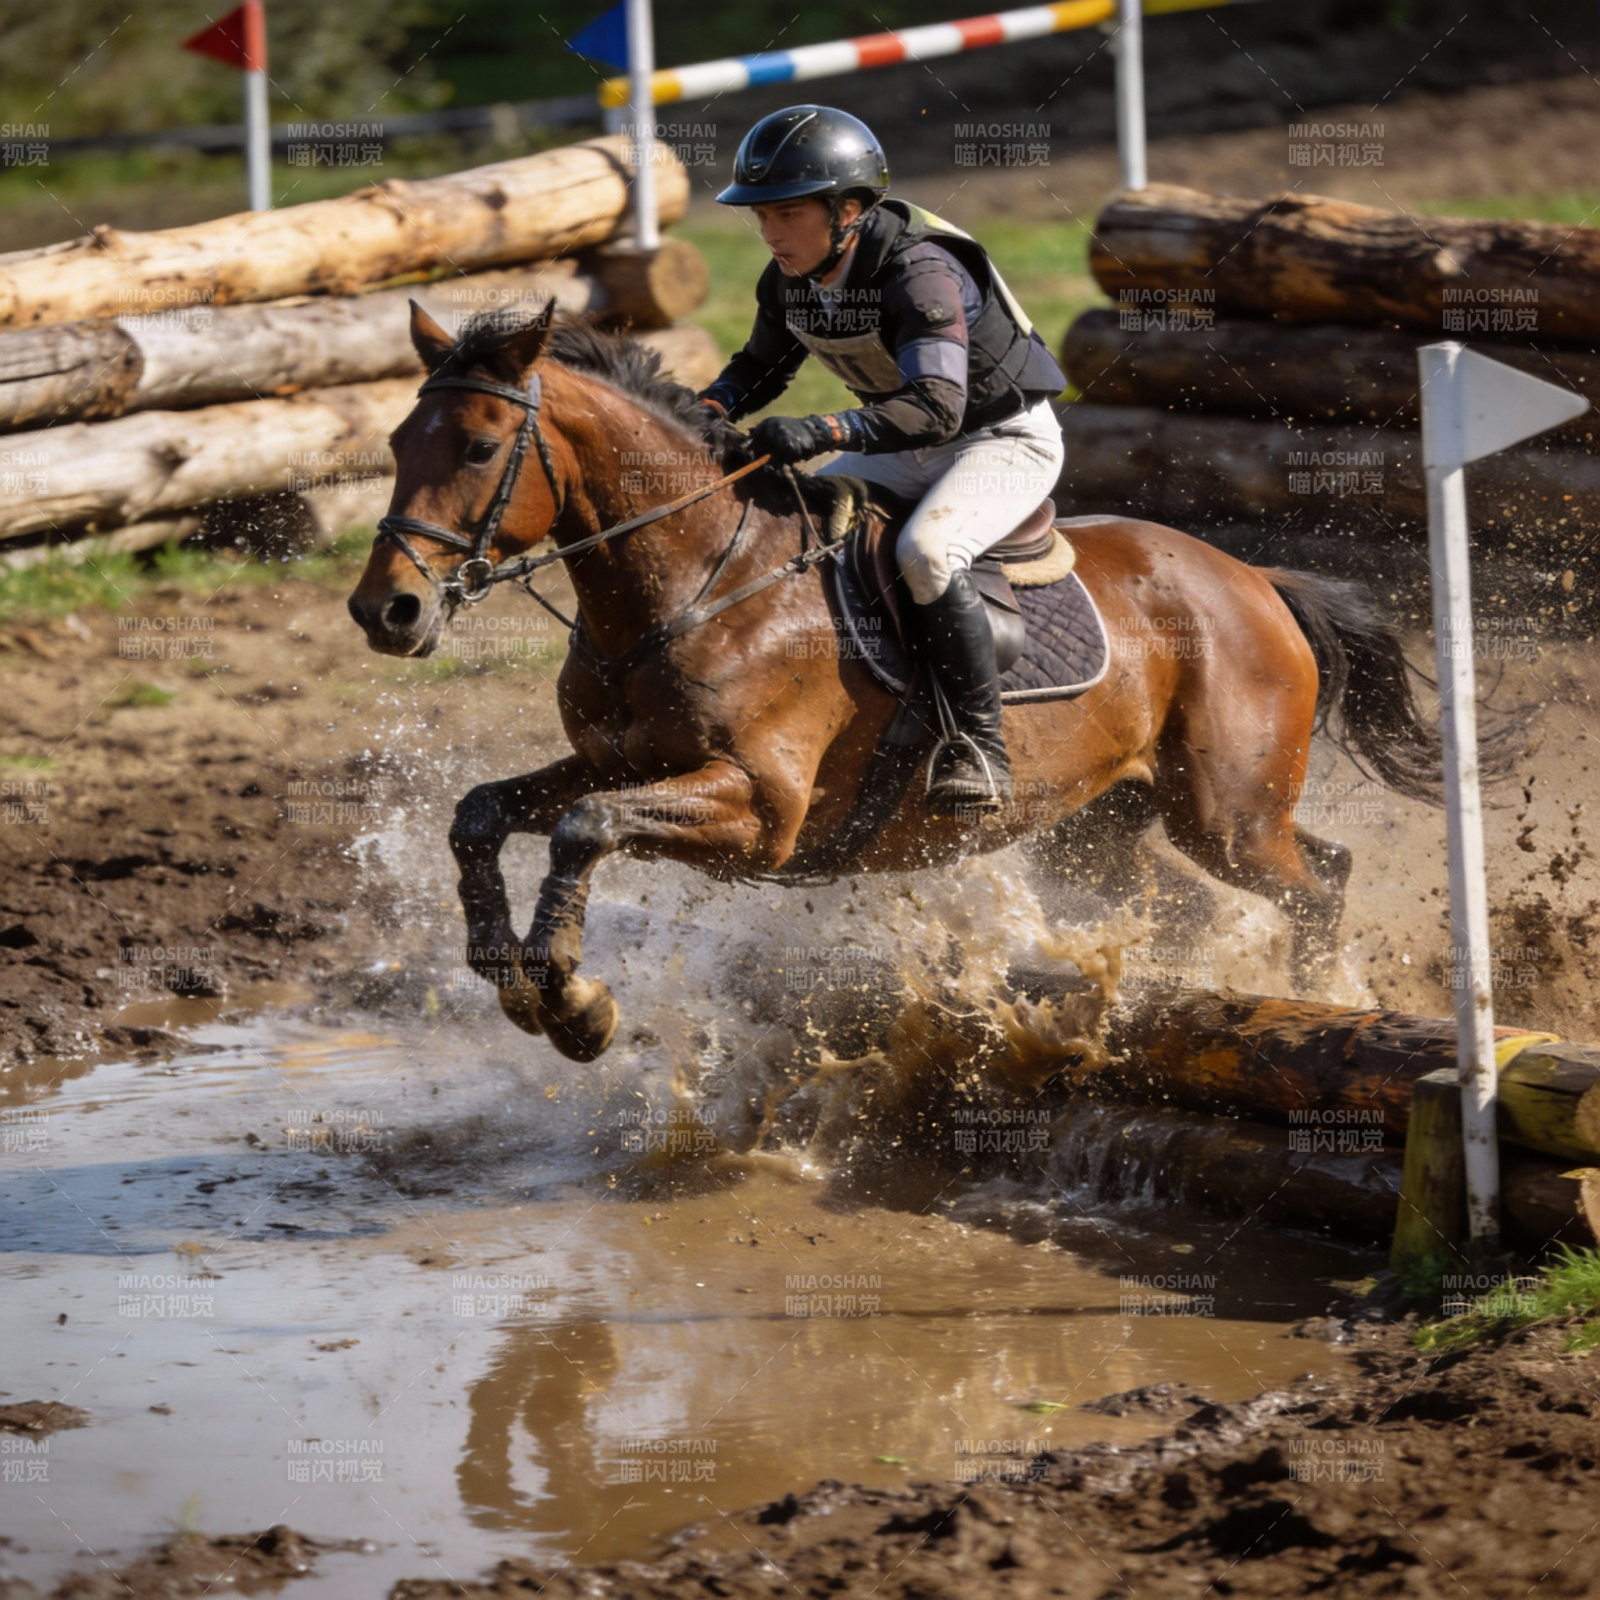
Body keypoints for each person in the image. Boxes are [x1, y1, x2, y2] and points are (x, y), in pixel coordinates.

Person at [693, 104, 1067, 814]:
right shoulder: (789, 279)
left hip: (998, 440)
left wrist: (824, 430)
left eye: (789, 214)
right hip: (902, 443)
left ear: (851, 210)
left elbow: (935, 409)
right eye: (762, 215)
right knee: (788, 528)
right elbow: (761, 366)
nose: (771, 234)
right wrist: (706, 410)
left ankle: (978, 746)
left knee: (927, 551)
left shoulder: (919, 274)